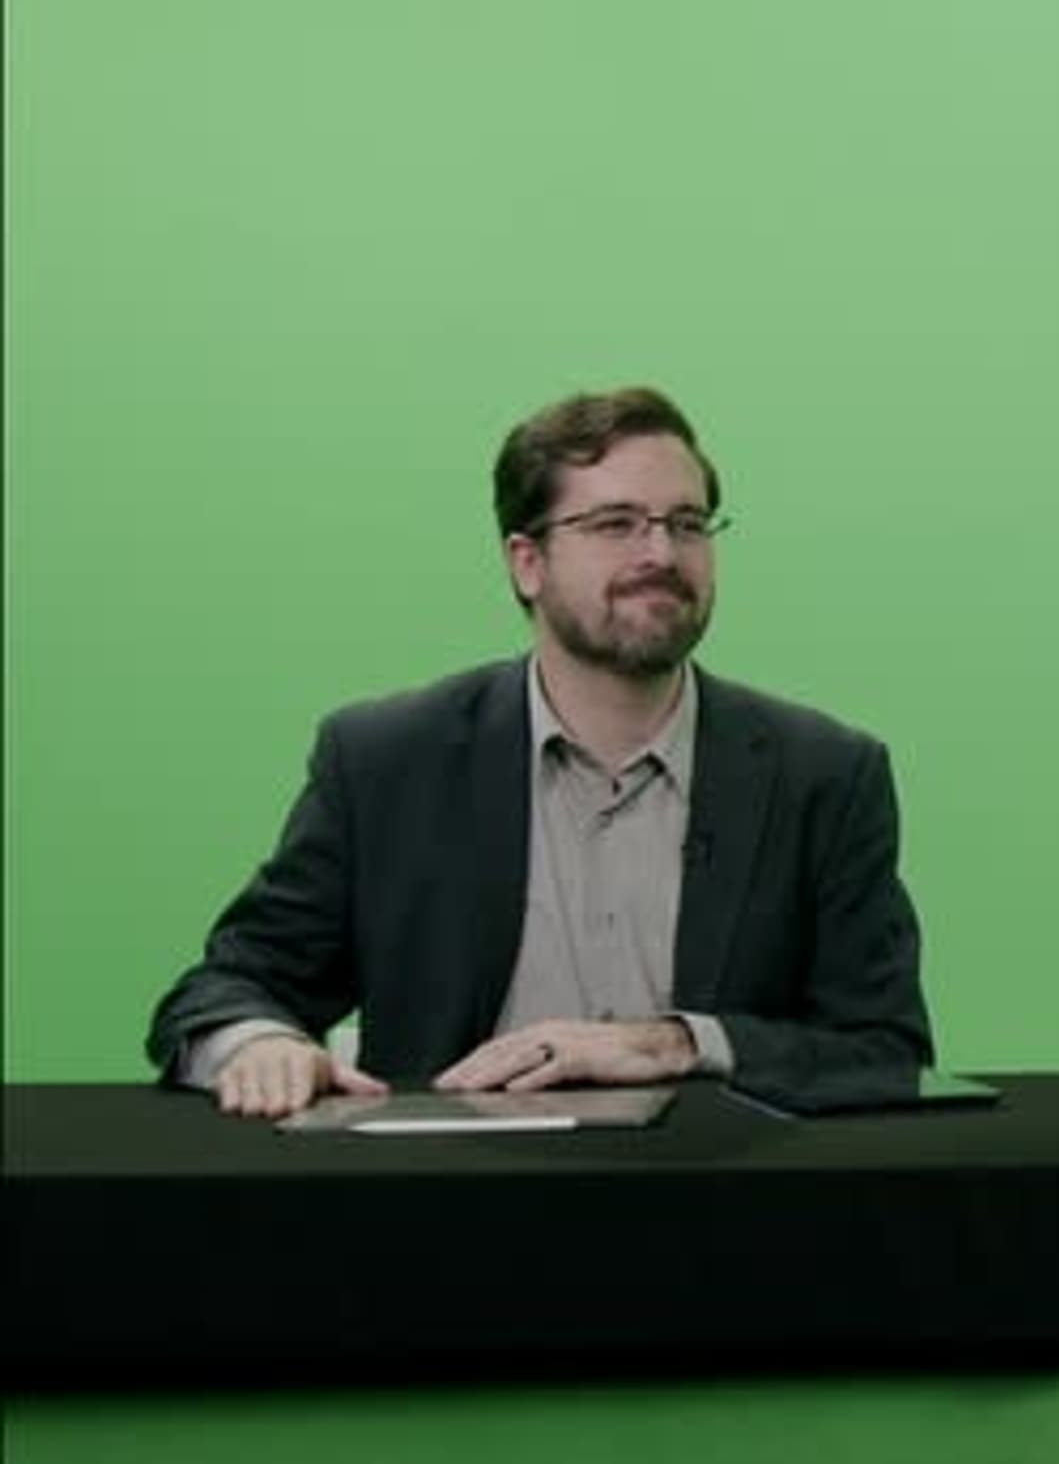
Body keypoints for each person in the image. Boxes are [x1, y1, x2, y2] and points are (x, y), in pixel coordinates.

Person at [148, 386, 933, 1118]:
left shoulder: (824, 774)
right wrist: (264, 1044)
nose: (661, 551)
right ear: (526, 562)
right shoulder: (387, 762)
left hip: (720, 1221)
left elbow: (886, 1052)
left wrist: (676, 1042)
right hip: (439, 1216)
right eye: (616, 522)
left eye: (687, 522)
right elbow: (230, 985)